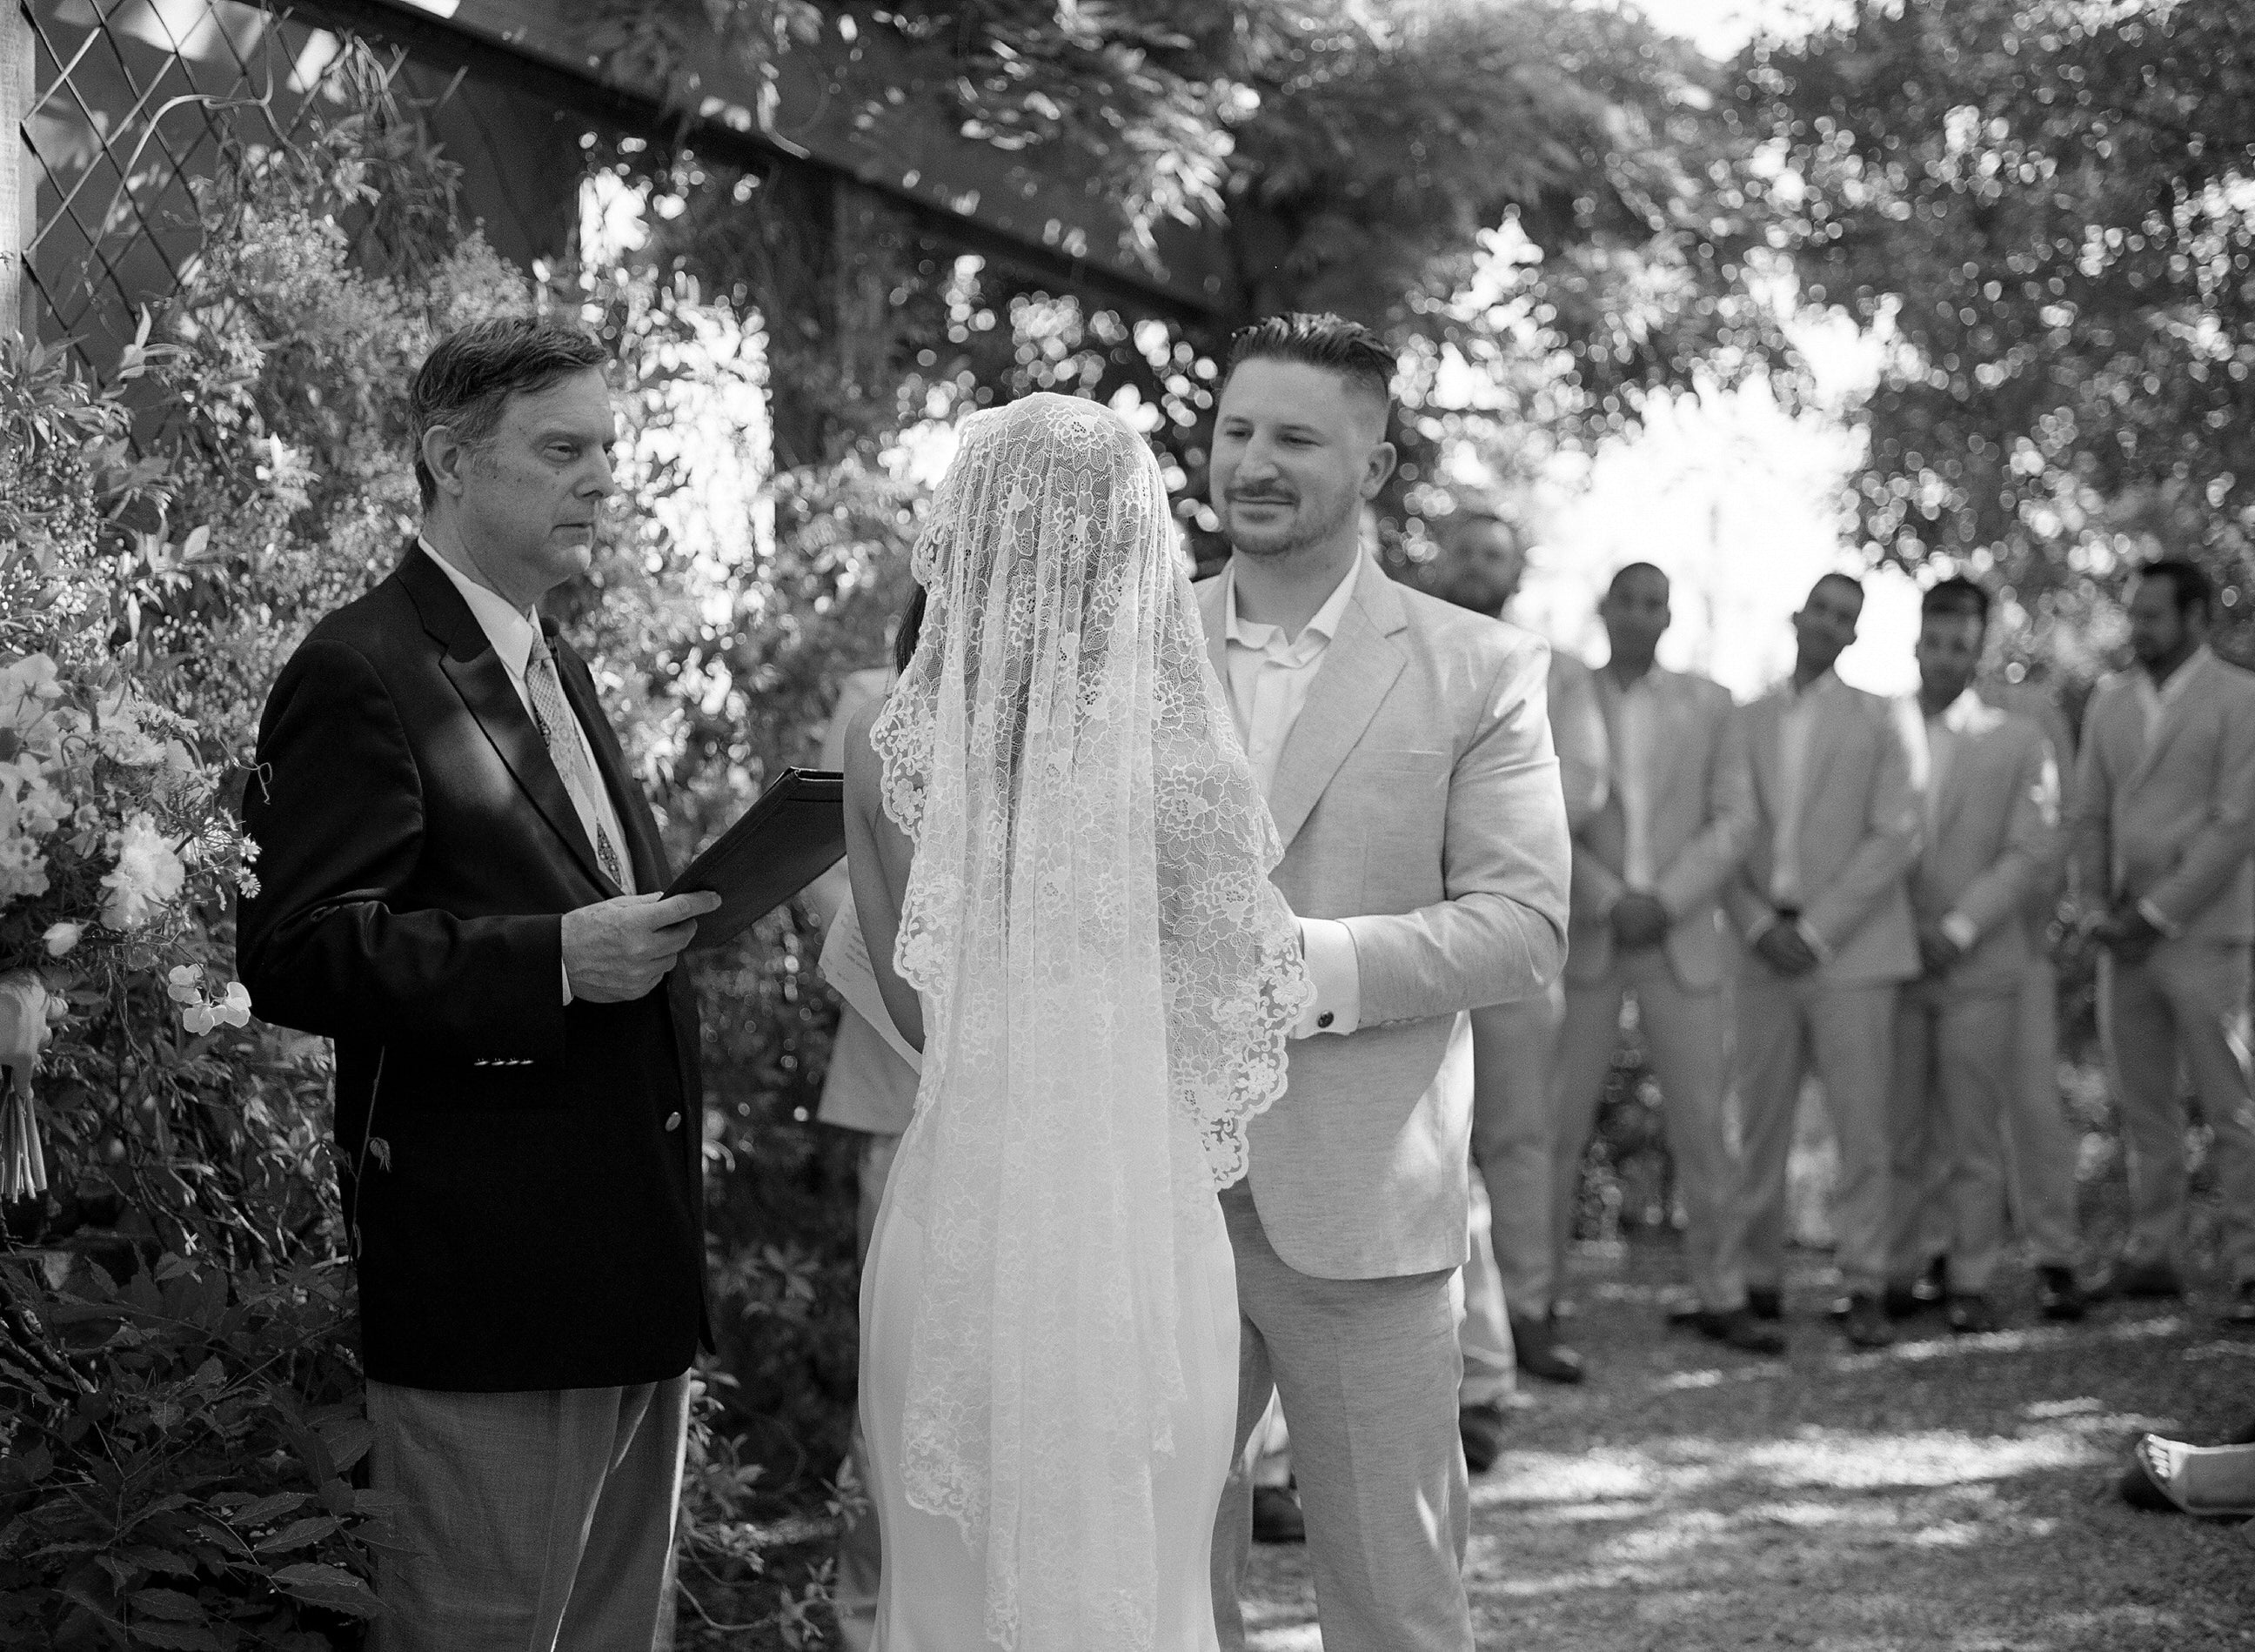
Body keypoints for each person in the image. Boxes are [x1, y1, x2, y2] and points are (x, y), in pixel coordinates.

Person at [238, 318, 722, 1650]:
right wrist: (556, 958)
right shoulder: (361, 667)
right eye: (562, 449)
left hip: (628, 1260)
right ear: (450, 458)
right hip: (493, 1277)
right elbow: (295, 944)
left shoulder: (552, 658)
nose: (601, 480)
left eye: (606, 450)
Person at [841, 391, 1313, 1649]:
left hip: (958, 1209)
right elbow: (1235, 1004)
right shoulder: (1181, 756)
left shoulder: (884, 740)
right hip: (1131, 1217)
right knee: (1151, 1588)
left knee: (940, 1594)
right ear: (1133, 541)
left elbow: (907, 999)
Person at [1199, 314, 1570, 1652]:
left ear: (1376, 459)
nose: (1254, 460)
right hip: (1141, 1196)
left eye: (1295, 436)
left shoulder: (1479, 666)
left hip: (1363, 1196)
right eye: (1237, 428)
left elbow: (1524, 928)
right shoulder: (1122, 651)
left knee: (1396, 1597)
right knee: (1147, 1591)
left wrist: (1315, 962)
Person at [1549, 564, 1772, 1355]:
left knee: (1706, 1129)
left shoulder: (1713, 705)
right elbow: (1540, 815)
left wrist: (1668, 898)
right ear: (1603, 608)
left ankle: (1724, 1291)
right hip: (1591, 933)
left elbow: (1736, 819)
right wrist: (1611, 897)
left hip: (1680, 939)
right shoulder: (1562, 694)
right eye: (1627, 601)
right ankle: (1535, 1302)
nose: (1639, 615)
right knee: (1554, 1125)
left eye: (1654, 604)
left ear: (1670, 616)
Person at [1422, 507, 1609, 1425]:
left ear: (1515, 571)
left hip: (1516, 933)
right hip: (1412, 933)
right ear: (1438, 560)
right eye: (1462, 550)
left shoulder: (1557, 672)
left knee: (1519, 1139)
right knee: (1425, 1141)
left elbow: (1585, 788)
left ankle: (1530, 1311)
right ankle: (1445, 1339)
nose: (1474, 566)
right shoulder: (1405, 650)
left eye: (1492, 554)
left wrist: (1467, 811)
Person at [1719, 572, 1924, 1351]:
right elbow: (1724, 829)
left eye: (1848, 617)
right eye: (1823, 610)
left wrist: (1821, 928)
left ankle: (1865, 1280)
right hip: (1759, 947)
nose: (1831, 624)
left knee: (1861, 1126)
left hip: (1854, 953)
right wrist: (1755, 922)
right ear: (1797, 616)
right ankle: (1756, 1279)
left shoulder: (1882, 719)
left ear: (1855, 635)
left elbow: (1896, 834)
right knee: (1758, 1121)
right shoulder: (1743, 718)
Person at [2072, 558, 2255, 1322]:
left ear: (2194, 618)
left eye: (2152, 615)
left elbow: (2235, 825)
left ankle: (2250, 1266)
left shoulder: (2241, 698)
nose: (2137, 628)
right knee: (2143, 1108)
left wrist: (2155, 913)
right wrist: (2093, 910)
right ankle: (2154, 1253)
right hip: (2122, 938)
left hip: (2205, 933)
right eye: (2134, 614)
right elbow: (2088, 815)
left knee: (2232, 1109)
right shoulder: (2111, 701)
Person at [1883, 578, 2061, 1334]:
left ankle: (1972, 1277)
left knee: (1972, 1129)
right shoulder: (1877, 726)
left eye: (1962, 643)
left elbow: (2030, 851)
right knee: (1896, 1126)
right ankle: (1892, 1273)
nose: (1946, 655)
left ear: (1979, 648)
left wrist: (1954, 929)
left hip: (1979, 961)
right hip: (1889, 960)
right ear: (1917, 639)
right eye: (1935, 639)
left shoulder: (2017, 738)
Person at [804, 612, 924, 1652]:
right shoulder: (874, 708)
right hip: (906, 1082)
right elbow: (828, 875)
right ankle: (865, 1624)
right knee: (897, 1387)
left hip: (1074, 1114)